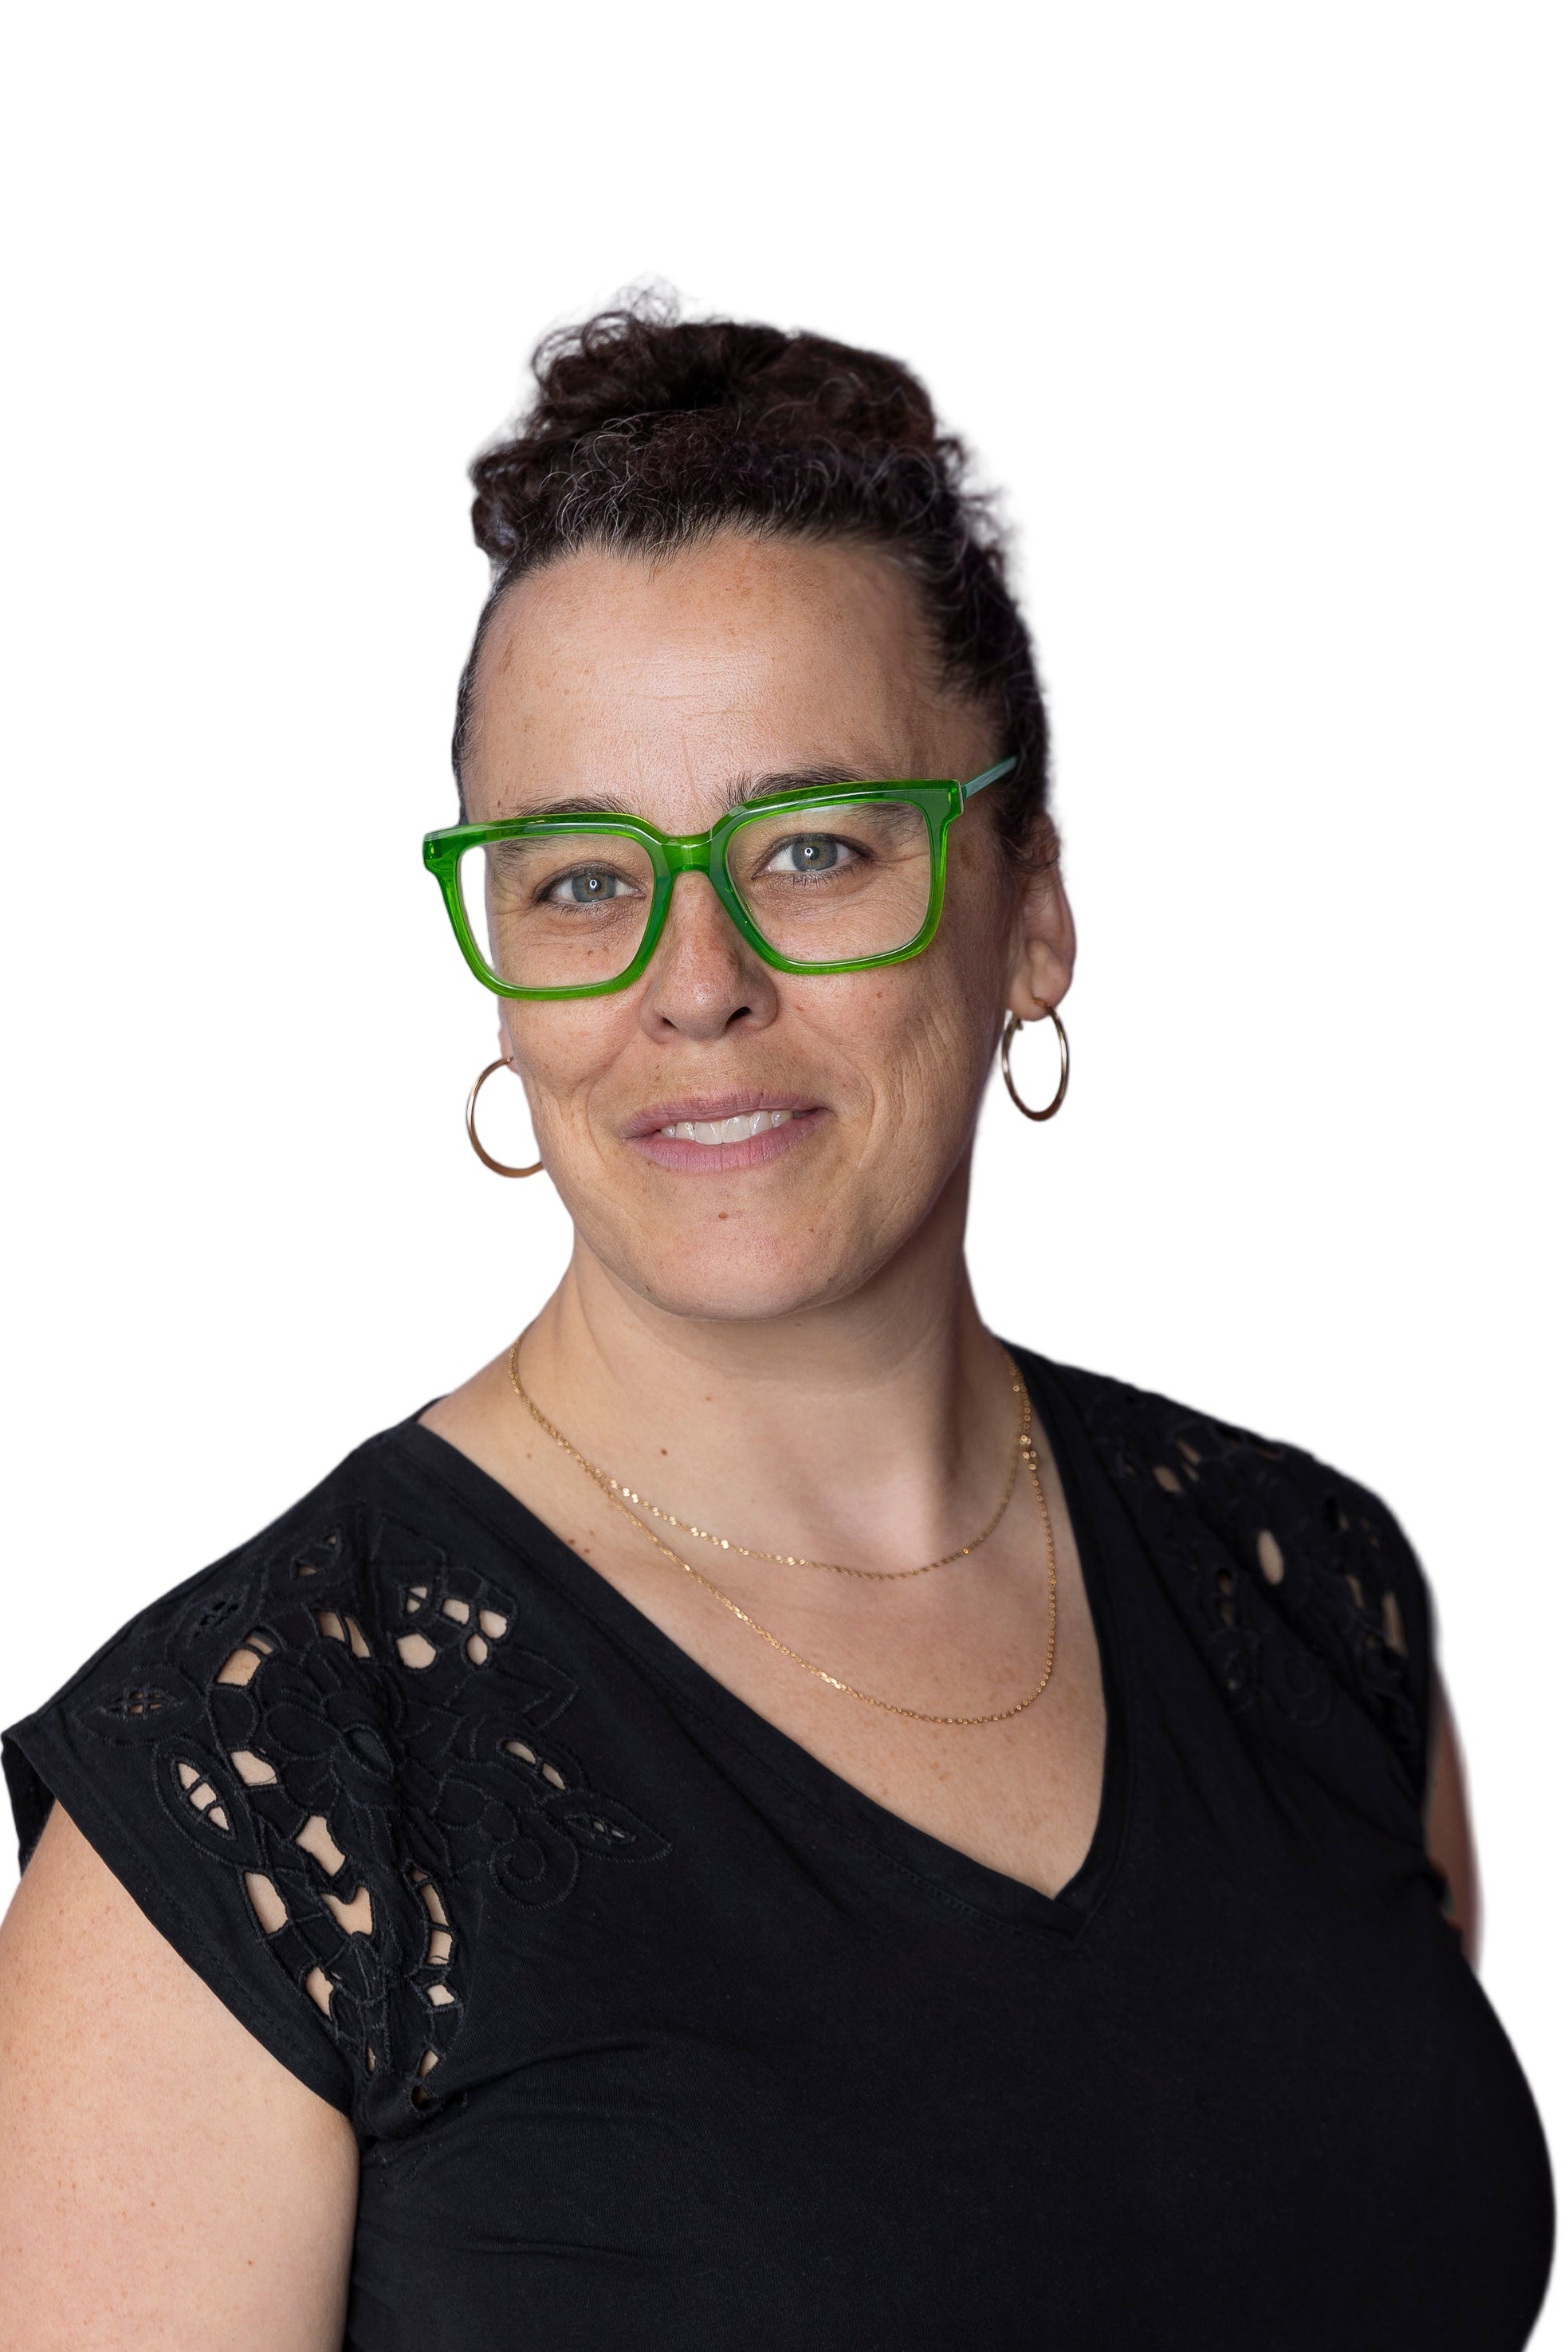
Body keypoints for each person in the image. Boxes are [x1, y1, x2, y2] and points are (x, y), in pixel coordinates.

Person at [0, 302, 1552, 2352]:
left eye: (812, 849)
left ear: (1033, 908)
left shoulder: (1312, 1598)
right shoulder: (259, 1782)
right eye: (577, 880)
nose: (692, 977)